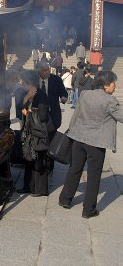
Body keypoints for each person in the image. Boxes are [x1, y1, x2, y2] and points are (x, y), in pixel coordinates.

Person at [59, 71, 123, 218]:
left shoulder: (85, 94)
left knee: (75, 169)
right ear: (106, 85)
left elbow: (76, 115)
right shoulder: (110, 100)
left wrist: (71, 132)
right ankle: (88, 209)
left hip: (79, 138)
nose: (115, 86)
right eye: (113, 83)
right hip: (96, 142)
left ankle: (65, 199)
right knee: (94, 175)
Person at [16, 70, 50, 196]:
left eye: (22, 81)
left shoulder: (41, 94)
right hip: (29, 131)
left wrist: (29, 112)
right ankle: (28, 186)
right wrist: (27, 97)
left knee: (39, 160)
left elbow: (43, 115)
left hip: (38, 132)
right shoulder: (27, 93)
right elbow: (20, 106)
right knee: (28, 159)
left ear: (27, 82)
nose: (21, 83)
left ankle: (40, 189)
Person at [37, 61, 68, 174]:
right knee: (40, 140)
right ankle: (40, 162)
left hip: (52, 115)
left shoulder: (56, 79)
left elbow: (63, 92)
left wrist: (64, 97)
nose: (47, 72)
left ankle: (50, 164)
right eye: (44, 70)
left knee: (51, 139)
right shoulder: (34, 80)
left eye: (48, 69)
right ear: (38, 71)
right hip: (38, 116)